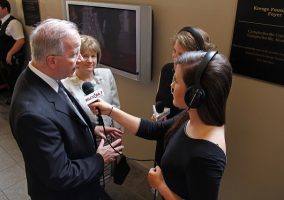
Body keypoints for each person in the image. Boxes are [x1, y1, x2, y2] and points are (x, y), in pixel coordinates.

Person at [90, 51, 233, 200]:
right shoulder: (192, 115)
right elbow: (153, 130)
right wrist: (111, 110)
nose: (171, 84)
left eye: (176, 81)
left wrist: (160, 185)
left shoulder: (208, 156)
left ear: (195, 94)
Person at [9, 18, 124, 200]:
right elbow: (59, 175)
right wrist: (100, 159)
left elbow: (61, 117)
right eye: (74, 54)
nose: (80, 60)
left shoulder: (44, 74)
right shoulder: (31, 115)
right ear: (52, 61)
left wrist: (90, 129)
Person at [62, 34, 121, 185]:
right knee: (90, 177)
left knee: (106, 176)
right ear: (77, 58)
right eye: (85, 56)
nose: (90, 60)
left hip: (108, 136)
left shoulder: (106, 75)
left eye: (93, 56)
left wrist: (117, 135)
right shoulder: (65, 84)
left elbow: (115, 105)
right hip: (84, 141)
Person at [154, 26, 217, 166]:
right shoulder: (166, 70)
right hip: (163, 134)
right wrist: (156, 115)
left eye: (181, 54)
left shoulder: (203, 86)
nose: (174, 57)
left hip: (184, 143)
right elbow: (159, 102)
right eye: (174, 51)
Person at [0, 0, 25, 98]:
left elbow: (20, 40)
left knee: (15, 82)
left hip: (13, 59)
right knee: (9, 81)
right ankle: (14, 99)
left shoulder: (13, 23)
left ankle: (19, 103)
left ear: (5, 9)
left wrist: (9, 54)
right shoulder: (2, 21)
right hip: (4, 59)